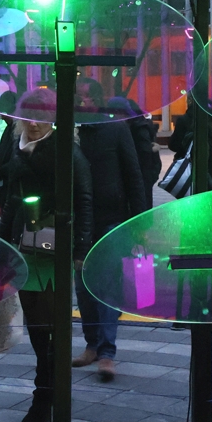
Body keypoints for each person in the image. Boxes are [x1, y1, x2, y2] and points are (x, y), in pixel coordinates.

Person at [0, 89, 94, 422]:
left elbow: (84, 200)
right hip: (25, 247)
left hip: (55, 249)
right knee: (37, 325)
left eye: (41, 118)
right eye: (28, 117)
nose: (33, 124)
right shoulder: (16, 149)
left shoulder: (68, 153)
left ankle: (45, 395)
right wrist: (1, 243)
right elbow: (11, 201)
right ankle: (45, 389)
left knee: (52, 326)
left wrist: (81, 248)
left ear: (53, 119)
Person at [72, 79, 147, 382]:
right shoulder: (72, 132)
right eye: (79, 99)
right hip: (80, 220)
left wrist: (139, 223)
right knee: (82, 288)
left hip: (111, 218)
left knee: (107, 287)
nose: (82, 103)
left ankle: (106, 352)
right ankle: (92, 344)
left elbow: (134, 175)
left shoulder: (116, 129)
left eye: (86, 98)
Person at [108, 96, 162, 208]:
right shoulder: (137, 126)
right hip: (140, 180)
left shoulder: (137, 129)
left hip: (140, 181)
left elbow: (143, 158)